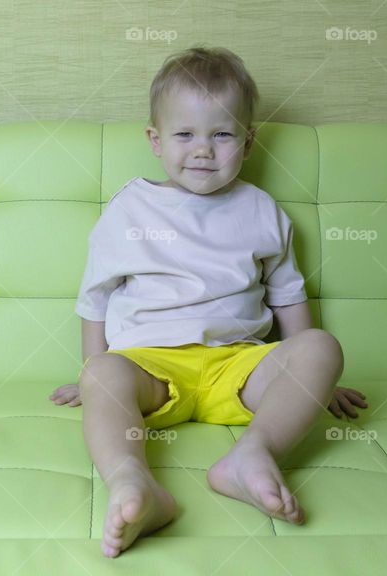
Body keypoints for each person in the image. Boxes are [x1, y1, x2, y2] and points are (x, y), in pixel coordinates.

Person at [49, 46, 367, 558]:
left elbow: (289, 299)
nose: (203, 150)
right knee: (104, 374)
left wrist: (312, 383)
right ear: (155, 140)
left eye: (221, 134)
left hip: (237, 367)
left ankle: (250, 457)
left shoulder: (261, 210)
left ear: (248, 140)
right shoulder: (130, 208)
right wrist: (91, 371)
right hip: (149, 368)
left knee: (321, 347)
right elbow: (96, 299)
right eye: (185, 135)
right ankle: (134, 484)